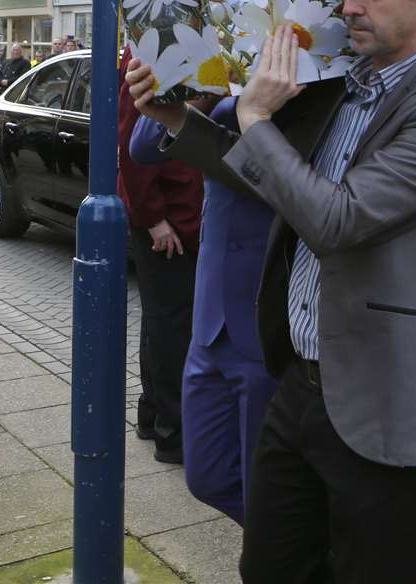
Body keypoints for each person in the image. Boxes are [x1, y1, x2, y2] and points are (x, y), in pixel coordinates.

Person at [127, 0, 416, 583]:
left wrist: (254, 114)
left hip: (388, 403)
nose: (349, 5)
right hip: (299, 386)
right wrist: (172, 116)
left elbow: (336, 221)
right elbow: (272, 182)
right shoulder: (341, 84)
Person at [130, 92, 276, 524]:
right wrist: (182, 88)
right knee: (206, 477)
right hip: (211, 320)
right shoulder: (219, 91)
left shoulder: (304, 86)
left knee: (265, 490)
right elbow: (139, 146)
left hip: (265, 316)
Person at [117, 49, 204, 466]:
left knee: (161, 320)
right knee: (173, 327)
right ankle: (173, 434)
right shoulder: (157, 45)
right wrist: (153, 217)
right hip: (169, 215)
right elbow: (134, 137)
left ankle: (153, 416)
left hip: (176, 212)